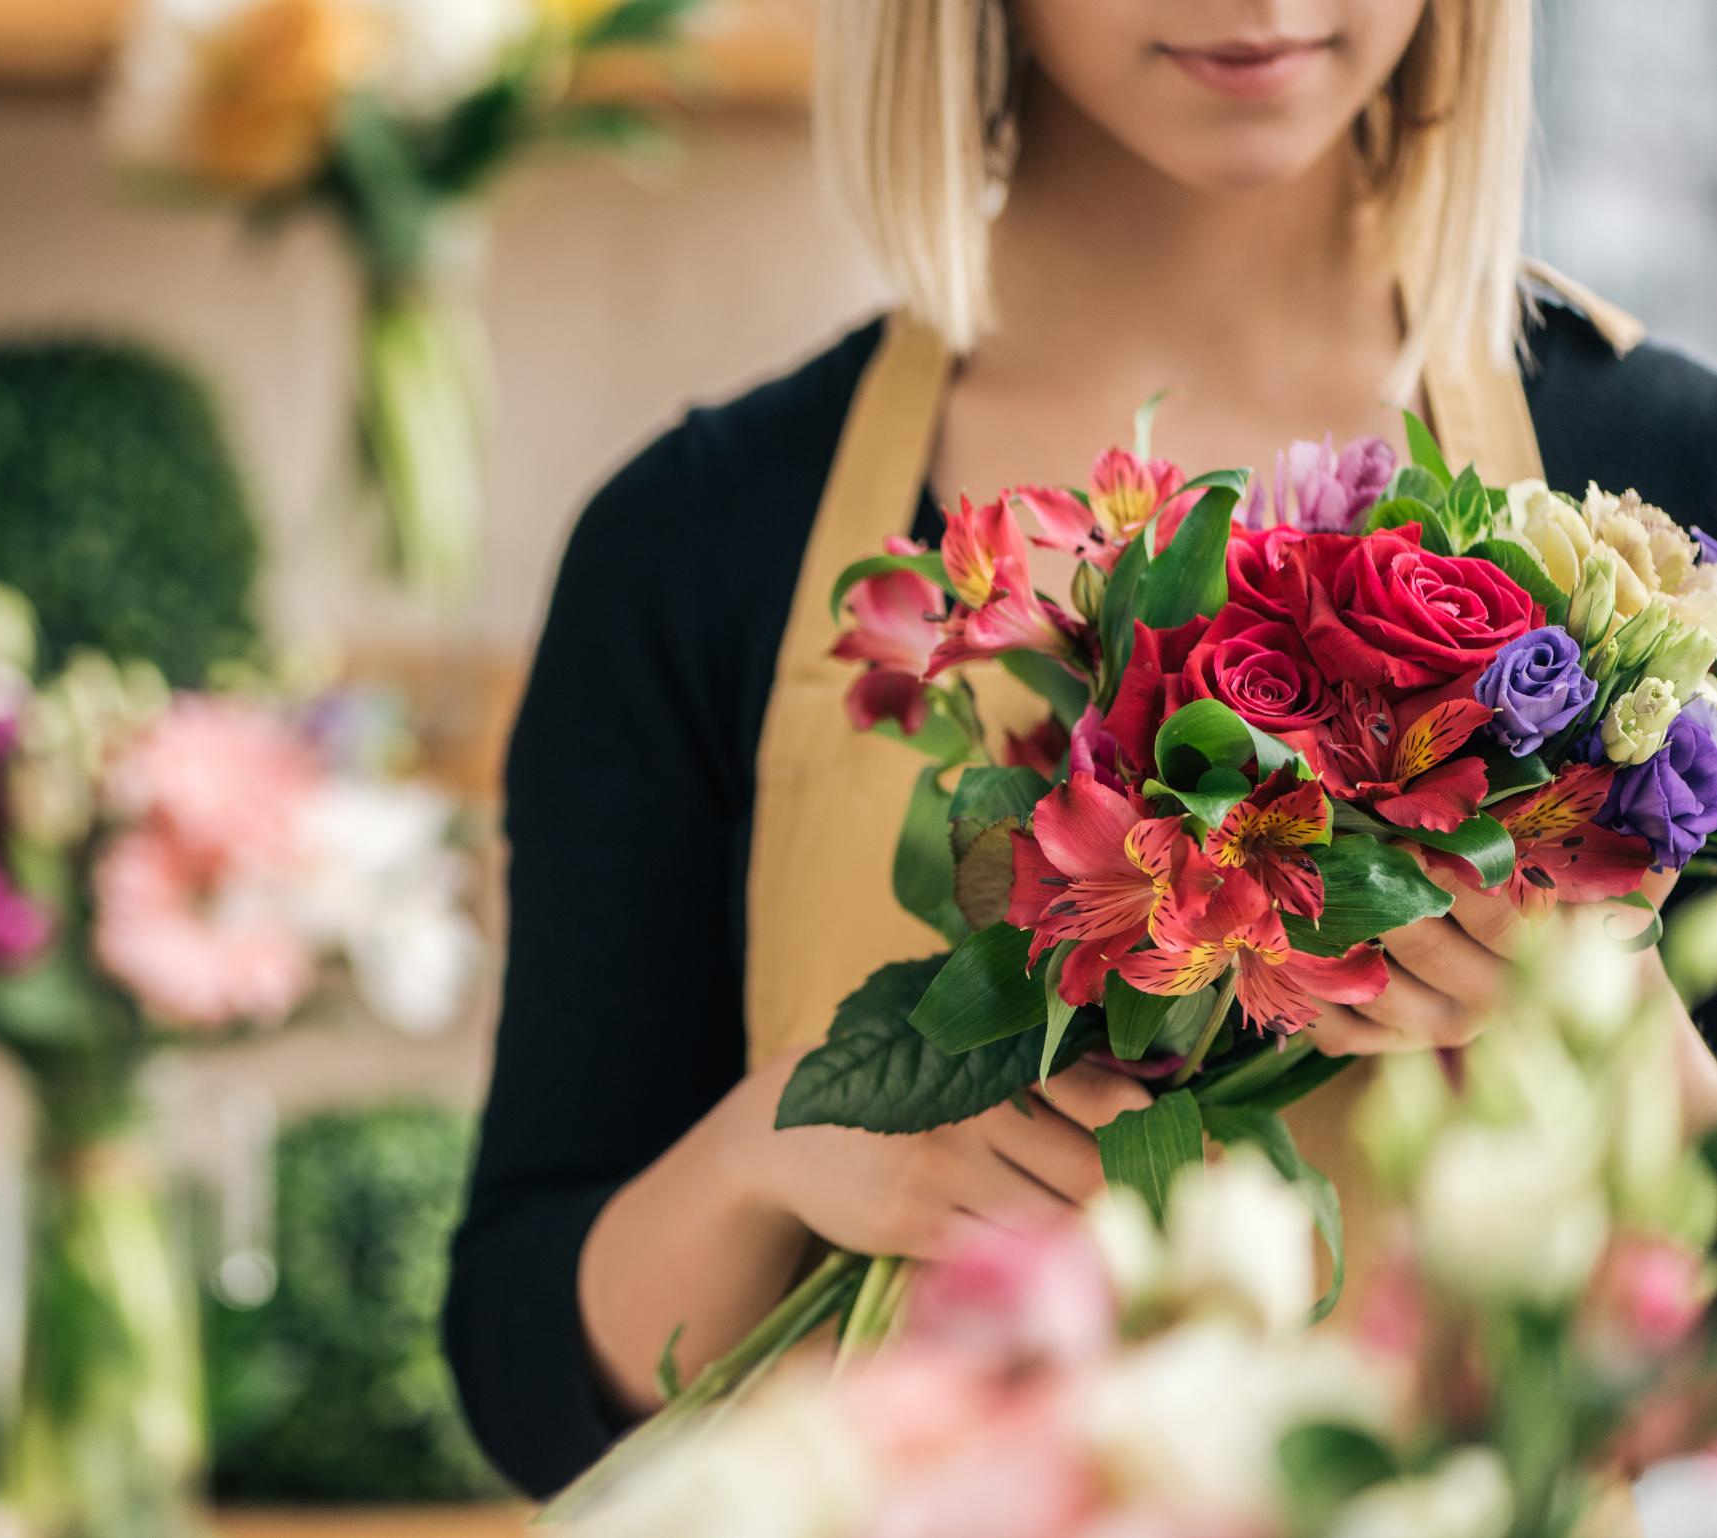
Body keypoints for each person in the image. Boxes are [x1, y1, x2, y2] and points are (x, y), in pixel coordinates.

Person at [445, 0, 1717, 1500]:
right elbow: (527, 1385)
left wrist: (1628, 1050)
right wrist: (765, 1153)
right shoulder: (692, 542)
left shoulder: (1669, 490)